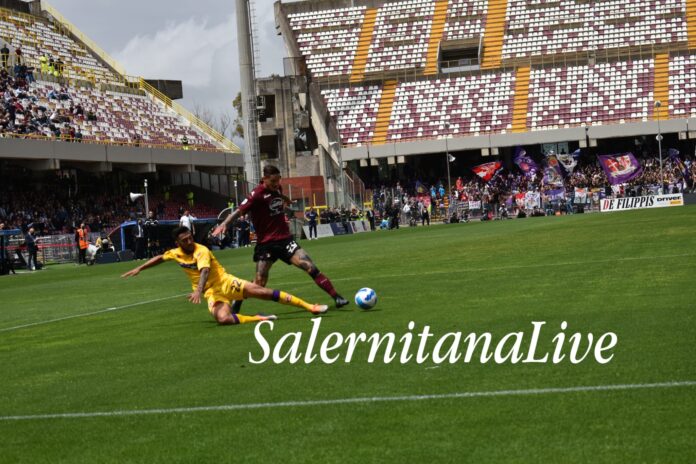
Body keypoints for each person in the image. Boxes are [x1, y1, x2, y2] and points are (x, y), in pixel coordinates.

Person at [121, 226, 328, 325]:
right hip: (213, 293)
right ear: (178, 243)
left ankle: (310, 307)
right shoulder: (175, 253)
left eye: (190, 237)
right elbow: (160, 257)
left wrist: (198, 291)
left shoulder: (201, 251)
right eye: (184, 240)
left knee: (263, 292)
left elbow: (204, 271)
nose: (189, 241)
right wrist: (140, 268)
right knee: (224, 319)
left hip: (226, 283)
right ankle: (258, 318)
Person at [213, 165, 348, 313]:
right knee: (259, 283)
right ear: (264, 179)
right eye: (273, 181)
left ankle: (337, 297)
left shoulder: (277, 188)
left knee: (311, 268)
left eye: (278, 180)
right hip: (266, 245)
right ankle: (238, 299)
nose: (276, 184)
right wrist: (224, 224)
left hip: (285, 241)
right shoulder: (256, 194)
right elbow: (239, 211)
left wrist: (286, 200)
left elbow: (277, 195)